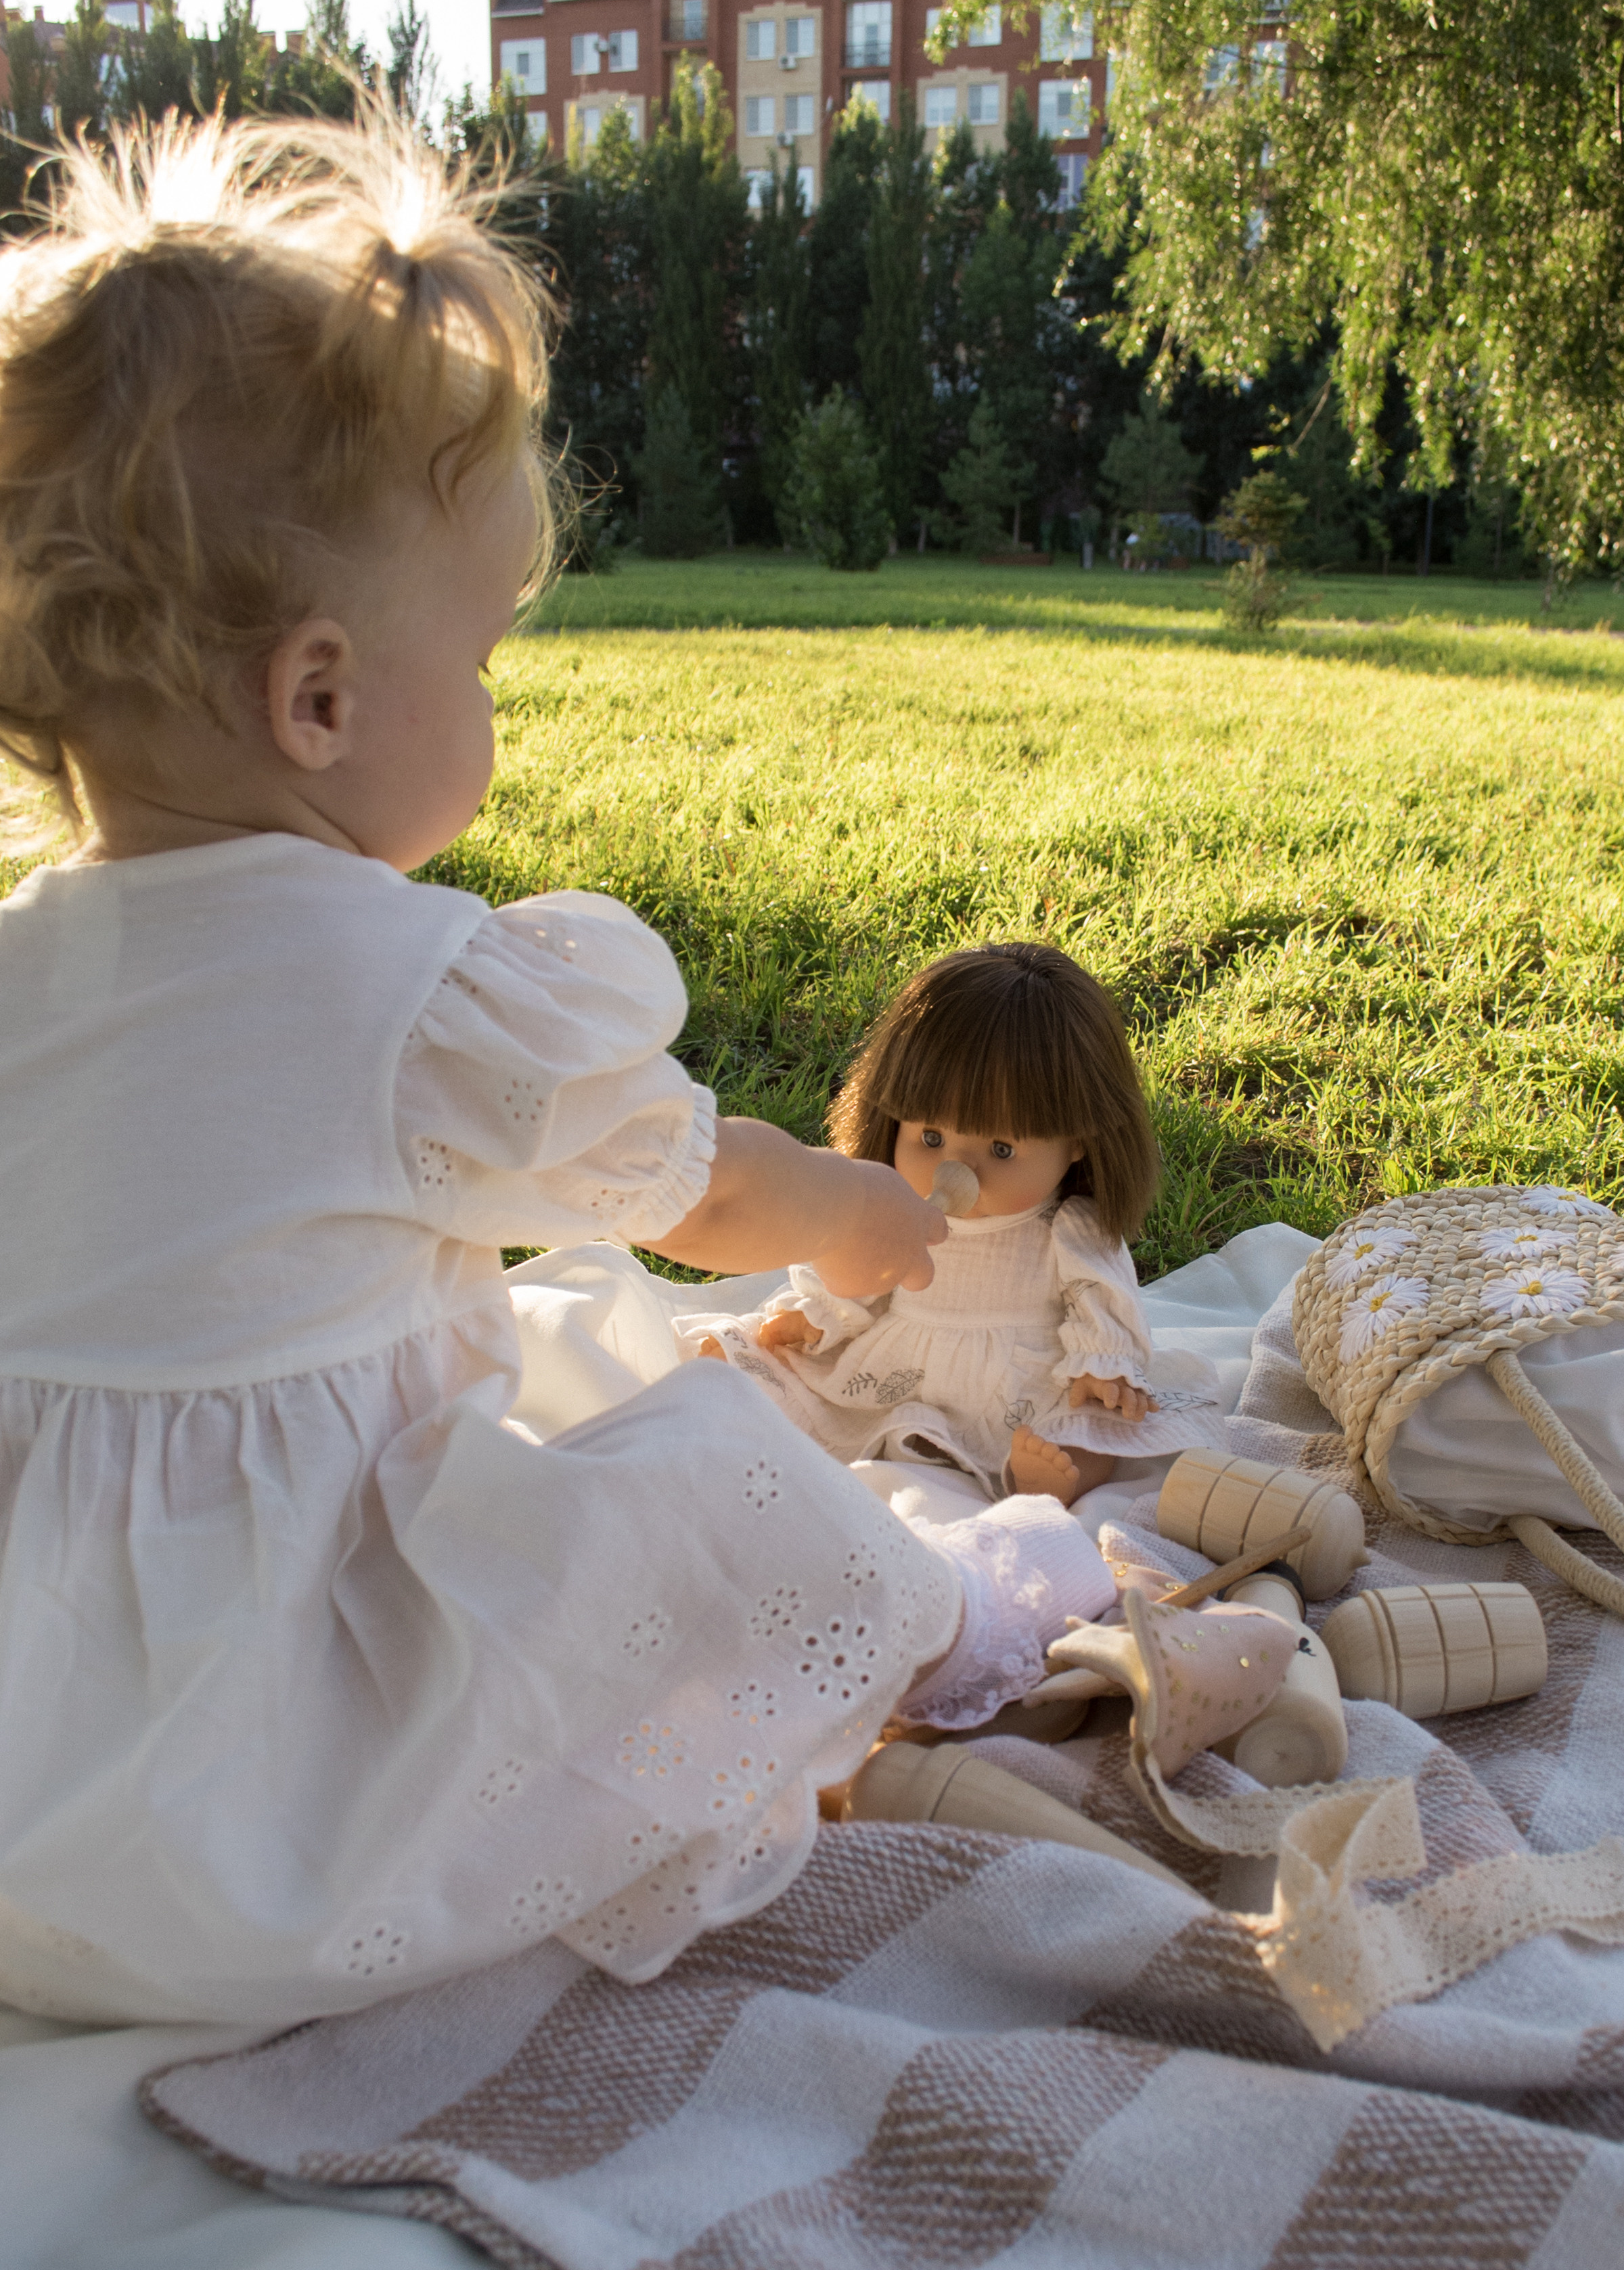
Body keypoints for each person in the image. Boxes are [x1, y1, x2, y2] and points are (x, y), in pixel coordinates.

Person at [0, 111, 1116, 2029]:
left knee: (565, 1343)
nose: (501, 701)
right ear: (322, 698)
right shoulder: (419, 986)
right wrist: (848, 1210)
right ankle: (939, 1633)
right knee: (700, 1483)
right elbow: (701, 1194)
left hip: (44, 1795)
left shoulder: (27, 967)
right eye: (493, 654)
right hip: (281, 1788)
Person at [683, 945, 1226, 1522]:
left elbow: (1099, 1299)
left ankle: (1040, 1481)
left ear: (1078, 1141)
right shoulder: (895, 1204)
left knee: (1089, 1433)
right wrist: (819, 1316)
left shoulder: (1067, 1229)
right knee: (769, 1370)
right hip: (896, 1369)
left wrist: (1101, 1365)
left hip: (1018, 1390)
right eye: (932, 1138)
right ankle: (747, 1400)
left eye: (1001, 1149)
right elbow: (866, 1274)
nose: (957, 1170)